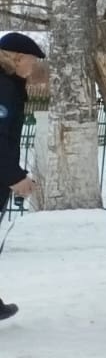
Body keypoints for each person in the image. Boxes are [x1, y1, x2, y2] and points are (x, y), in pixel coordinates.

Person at [0, 32, 44, 322]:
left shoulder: (10, 85)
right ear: (16, 57)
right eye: (31, 60)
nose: (34, 66)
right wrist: (14, 176)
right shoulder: (4, 87)